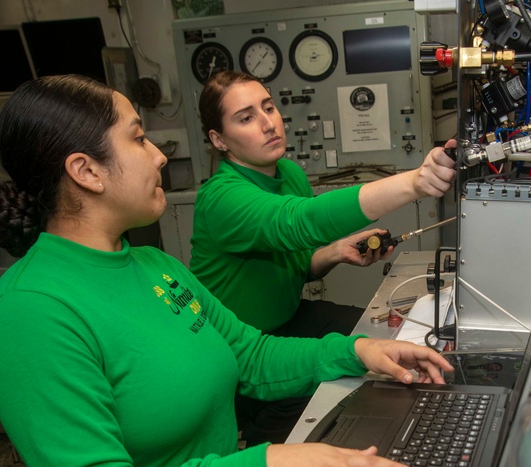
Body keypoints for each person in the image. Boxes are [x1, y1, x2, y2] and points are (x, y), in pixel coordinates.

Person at [0, 74, 453, 467]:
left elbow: (248, 355)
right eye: (139, 139)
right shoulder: (33, 312)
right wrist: (267, 464)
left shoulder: (149, 263)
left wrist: (354, 353)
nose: (158, 154)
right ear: (87, 171)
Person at [191, 70, 458, 445]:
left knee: (384, 339)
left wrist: (334, 253)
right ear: (218, 140)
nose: (268, 123)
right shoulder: (220, 198)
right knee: (320, 420)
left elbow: (293, 263)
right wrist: (415, 182)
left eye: (268, 107)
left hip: (288, 319)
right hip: (239, 351)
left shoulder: (287, 174)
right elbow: (298, 222)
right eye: (246, 117)